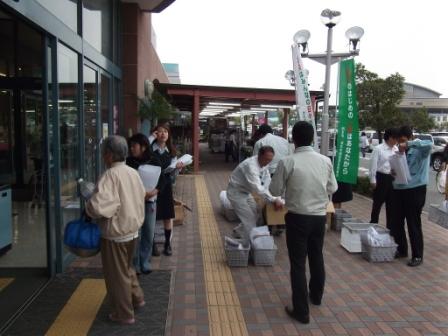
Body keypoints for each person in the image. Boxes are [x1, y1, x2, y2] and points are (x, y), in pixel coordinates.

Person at [270, 121, 338, 324]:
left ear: (294, 139)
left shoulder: (287, 161)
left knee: (298, 264)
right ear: (312, 139)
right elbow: (332, 187)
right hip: (319, 217)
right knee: (317, 257)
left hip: (297, 217)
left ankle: (301, 311)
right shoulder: (325, 161)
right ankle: (315, 297)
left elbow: (274, 191)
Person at [86, 135, 146, 325]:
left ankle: (124, 314)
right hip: (133, 231)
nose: (103, 156)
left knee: (116, 277)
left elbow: (98, 207)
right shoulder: (132, 172)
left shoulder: (109, 175)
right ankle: (137, 299)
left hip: (115, 234)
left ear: (110, 155)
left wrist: (89, 202)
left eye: (104, 153)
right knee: (126, 269)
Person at [391, 125, 432, 267]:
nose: (399, 143)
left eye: (402, 140)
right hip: (399, 189)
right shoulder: (399, 150)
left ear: (410, 137)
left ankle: (417, 255)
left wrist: (408, 144)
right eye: (398, 141)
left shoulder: (420, 149)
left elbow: (429, 144)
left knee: (413, 223)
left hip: (415, 190)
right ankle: (402, 250)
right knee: (396, 222)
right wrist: (393, 171)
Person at [126, 133, 164, 274]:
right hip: (133, 203)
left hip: (150, 202)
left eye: (134, 146)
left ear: (143, 147)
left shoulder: (155, 160)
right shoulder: (128, 162)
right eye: (130, 146)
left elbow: (163, 179)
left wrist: (155, 191)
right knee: (135, 233)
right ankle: (135, 263)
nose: (131, 149)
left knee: (148, 233)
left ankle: (145, 262)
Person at [226, 146, 282, 241]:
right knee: (250, 221)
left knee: (256, 214)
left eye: (270, 160)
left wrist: (273, 198)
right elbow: (258, 188)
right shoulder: (250, 166)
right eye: (266, 159)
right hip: (236, 193)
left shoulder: (264, 163)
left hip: (246, 193)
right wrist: (273, 199)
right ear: (259, 155)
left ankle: (238, 232)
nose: (268, 162)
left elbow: (265, 183)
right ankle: (248, 247)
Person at [151, 123, 183, 256]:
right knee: (151, 215)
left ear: (168, 135)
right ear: (155, 134)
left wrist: (178, 168)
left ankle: (167, 244)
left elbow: (173, 177)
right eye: (160, 131)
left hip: (166, 187)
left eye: (165, 132)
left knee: (167, 215)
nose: (163, 134)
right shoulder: (149, 150)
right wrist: (150, 138)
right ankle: (151, 244)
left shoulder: (172, 152)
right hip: (151, 186)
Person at [369, 128, 399, 228]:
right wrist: (373, 180)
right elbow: (373, 165)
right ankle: (373, 226)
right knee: (377, 205)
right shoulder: (379, 149)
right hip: (381, 178)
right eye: (395, 138)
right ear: (390, 138)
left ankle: (389, 228)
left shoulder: (396, 149)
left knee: (391, 205)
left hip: (392, 179)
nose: (396, 141)